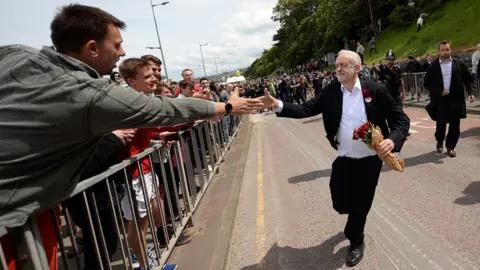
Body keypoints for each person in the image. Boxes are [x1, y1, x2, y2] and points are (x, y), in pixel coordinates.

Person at [0, 3, 262, 228]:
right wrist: (228, 107)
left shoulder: (14, 55)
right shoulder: (89, 93)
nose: (122, 53)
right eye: (117, 45)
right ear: (92, 48)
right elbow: (162, 109)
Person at [259, 50, 410, 267]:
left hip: (370, 161)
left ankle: (356, 240)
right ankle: (353, 218)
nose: (338, 69)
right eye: (337, 65)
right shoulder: (331, 92)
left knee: (361, 204)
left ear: (357, 68)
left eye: (344, 65)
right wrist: (277, 104)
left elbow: (400, 120)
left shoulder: (376, 90)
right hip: (345, 157)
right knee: (339, 200)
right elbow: (305, 108)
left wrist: (392, 140)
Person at [424, 40, 476, 157]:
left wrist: (471, 92)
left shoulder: (458, 63)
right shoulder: (434, 66)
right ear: (439, 52)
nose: (445, 52)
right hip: (441, 101)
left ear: (450, 50)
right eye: (442, 50)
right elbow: (426, 83)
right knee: (441, 125)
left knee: (455, 125)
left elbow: (468, 79)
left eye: (447, 49)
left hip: (456, 100)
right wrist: (439, 91)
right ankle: (439, 140)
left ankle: (450, 147)